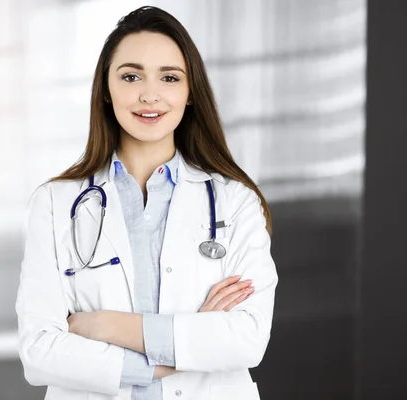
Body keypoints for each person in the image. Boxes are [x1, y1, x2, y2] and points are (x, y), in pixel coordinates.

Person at [15, 6, 277, 400]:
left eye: (170, 78)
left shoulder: (235, 203)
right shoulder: (55, 203)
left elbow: (246, 339)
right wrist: (177, 352)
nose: (149, 95)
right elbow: (39, 352)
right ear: (106, 88)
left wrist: (103, 324)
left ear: (190, 94)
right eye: (131, 76)